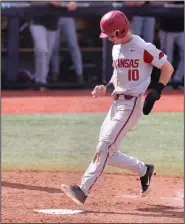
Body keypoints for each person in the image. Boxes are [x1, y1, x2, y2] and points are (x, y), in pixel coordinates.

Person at [61, 10, 174, 205]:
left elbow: (167, 67)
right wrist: (106, 87)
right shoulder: (116, 47)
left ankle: (83, 190)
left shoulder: (142, 46)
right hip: (116, 103)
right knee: (106, 152)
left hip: (131, 105)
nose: (107, 38)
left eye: (110, 34)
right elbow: (117, 75)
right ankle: (143, 170)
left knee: (104, 146)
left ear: (120, 31)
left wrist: (157, 91)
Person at [29, 1, 61, 91]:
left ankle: (39, 80)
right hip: (37, 21)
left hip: (52, 22)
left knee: (47, 54)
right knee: (42, 49)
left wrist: (71, 2)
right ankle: (41, 81)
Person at [50, 1, 84, 84]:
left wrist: (73, 2)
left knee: (73, 45)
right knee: (54, 47)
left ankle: (79, 74)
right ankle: (55, 75)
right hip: (53, 14)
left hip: (67, 14)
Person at [159, 1, 184, 89]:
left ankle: (177, 79)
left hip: (182, 28)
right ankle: (167, 81)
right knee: (167, 56)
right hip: (167, 29)